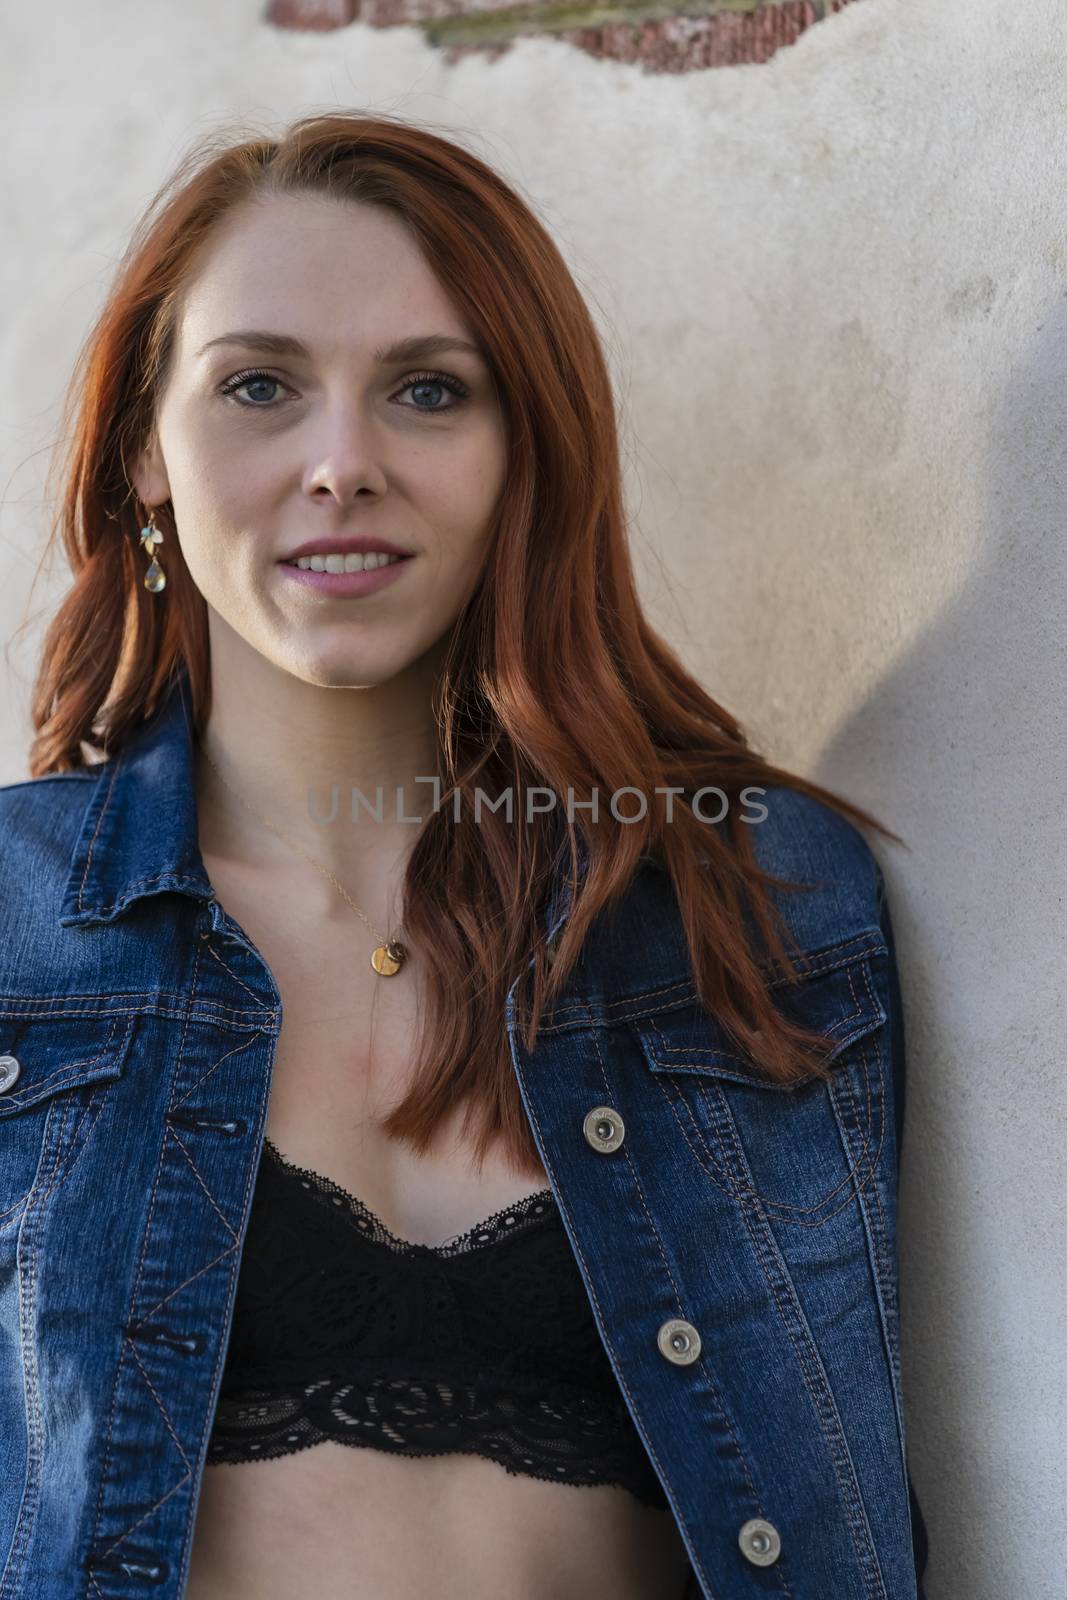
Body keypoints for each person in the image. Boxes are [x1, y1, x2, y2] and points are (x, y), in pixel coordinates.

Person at [0, 110, 929, 1599]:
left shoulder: (755, 899)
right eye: (259, 386)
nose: (342, 464)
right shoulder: (16, 930)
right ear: (144, 454)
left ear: (526, 452)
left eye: (429, 390)